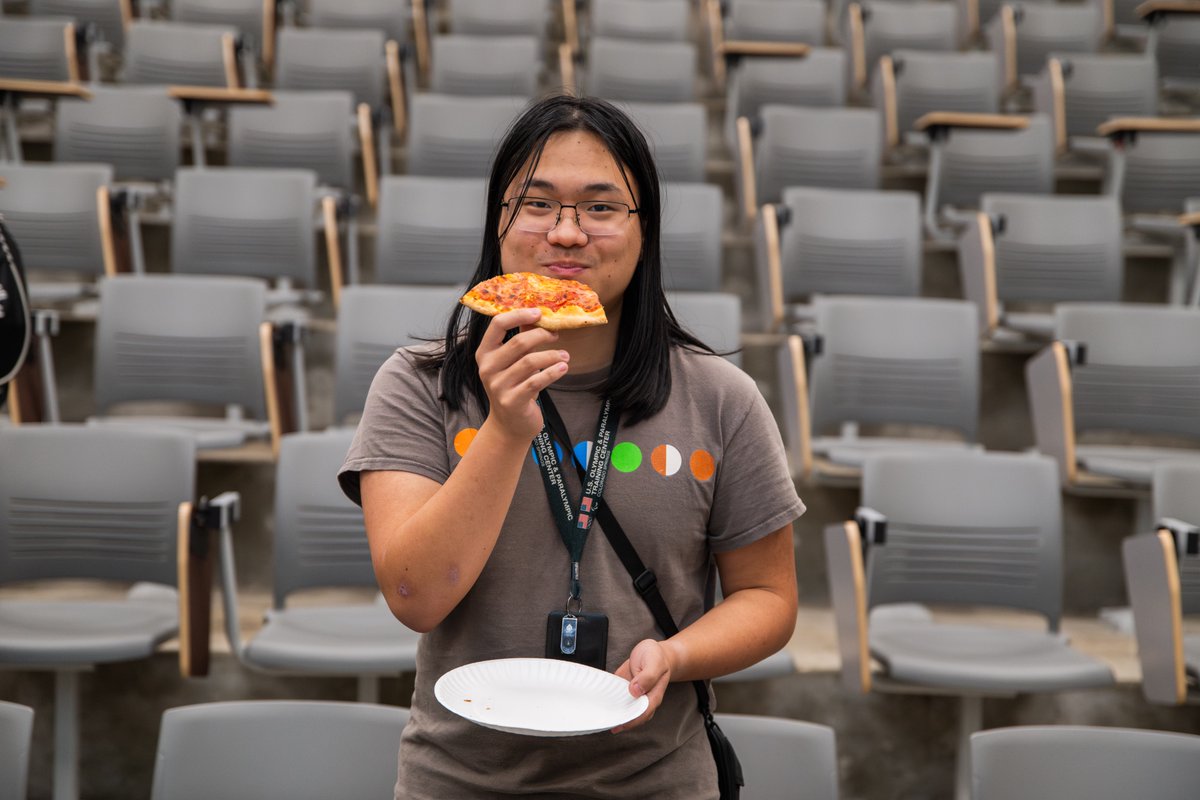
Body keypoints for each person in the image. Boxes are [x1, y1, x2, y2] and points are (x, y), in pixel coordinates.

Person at [338, 94, 804, 799]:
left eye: (601, 207)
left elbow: (768, 596)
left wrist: (676, 654)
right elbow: (415, 595)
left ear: (643, 230)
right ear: (498, 223)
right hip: (459, 780)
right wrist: (503, 427)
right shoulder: (418, 384)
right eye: (536, 203)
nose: (566, 233)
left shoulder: (720, 397)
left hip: (655, 780)